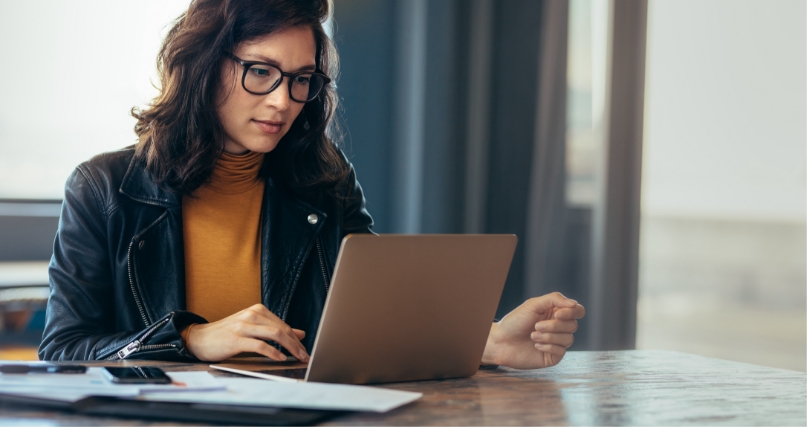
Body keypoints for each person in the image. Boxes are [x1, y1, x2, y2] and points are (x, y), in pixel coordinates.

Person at [39, 0, 585, 370]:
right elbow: (63, 350)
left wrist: (485, 341)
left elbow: (372, 321)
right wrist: (188, 340)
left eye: (302, 79)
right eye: (260, 71)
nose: (283, 100)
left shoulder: (323, 179)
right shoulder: (104, 188)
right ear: (202, 65)